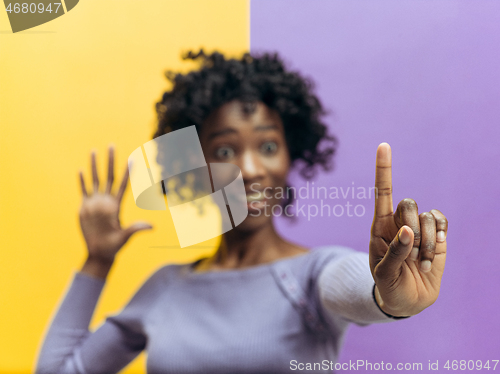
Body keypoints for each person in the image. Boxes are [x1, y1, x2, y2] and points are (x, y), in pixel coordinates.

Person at [35, 51, 448, 374]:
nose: (250, 169)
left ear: (290, 156)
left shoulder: (313, 275)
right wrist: (97, 261)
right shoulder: (166, 289)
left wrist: (390, 298)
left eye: (268, 146)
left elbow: (358, 285)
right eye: (226, 150)